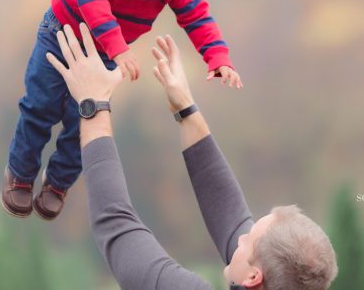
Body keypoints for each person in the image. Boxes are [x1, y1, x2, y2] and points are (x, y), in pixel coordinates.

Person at [2, 0, 243, 220]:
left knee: (84, 117)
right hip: (63, 34)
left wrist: (218, 56)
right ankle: (20, 175)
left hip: (105, 52)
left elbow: (196, 13)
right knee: (41, 107)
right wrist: (118, 49)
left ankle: (58, 182)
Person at [46, 22, 338, 290]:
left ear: (253, 277)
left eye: (248, 241)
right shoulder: (275, 279)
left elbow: (115, 223)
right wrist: (185, 108)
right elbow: (228, 211)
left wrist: (92, 102)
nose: (241, 235)